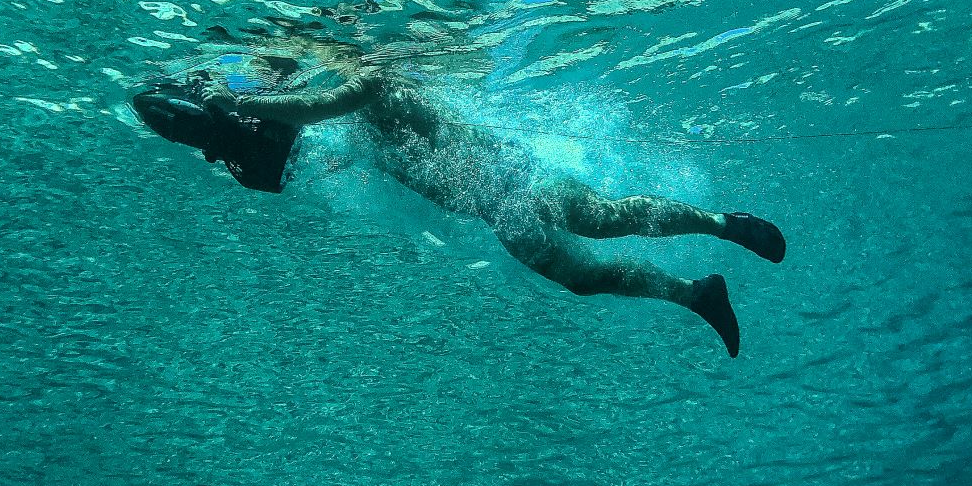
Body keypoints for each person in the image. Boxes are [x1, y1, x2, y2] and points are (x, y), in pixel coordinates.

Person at [130, 61, 785, 357]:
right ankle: (696, 295)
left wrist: (244, 104)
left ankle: (727, 224)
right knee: (584, 279)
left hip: (517, 178)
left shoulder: (374, 85)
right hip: (495, 213)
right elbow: (312, 130)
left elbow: (306, 109)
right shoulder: (349, 124)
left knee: (606, 217)